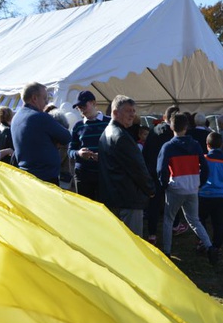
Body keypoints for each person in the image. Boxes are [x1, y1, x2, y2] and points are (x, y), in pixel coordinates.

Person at [157, 112, 219, 265]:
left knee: (169, 220)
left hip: (175, 189)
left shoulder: (168, 147)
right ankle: (210, 246)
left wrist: (164, 185)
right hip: (192, 188)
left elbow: (161, 170)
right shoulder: (196, 145)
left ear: (171, 126)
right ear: (187, 127)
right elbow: (204, 168)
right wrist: (199, 183)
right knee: (194, 219)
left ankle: (167, 252)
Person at [98, 95, 155, 236]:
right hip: (127, 199)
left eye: (134, 111)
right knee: (133, 244)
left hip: (115, 196)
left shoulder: (107, 132)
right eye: (128, 111)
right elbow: (137, 168)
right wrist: (150, 189)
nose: (132, 114)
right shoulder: (121, 136)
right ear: (115, 113)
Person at [10, 82, 71, 184]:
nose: (46, 102)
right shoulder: (39, 117)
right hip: (45, 179)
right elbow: (67, 137)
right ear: (34, 98)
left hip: (26, 177)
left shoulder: (16, 117)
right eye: (44, 98)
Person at [142, 105, 181, 243]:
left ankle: (152, 234)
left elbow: (145, 152)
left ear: (164, 117)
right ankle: (174, 227)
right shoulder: (174, 134)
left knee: (154, 203)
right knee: (172, 202)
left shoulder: (153, 131)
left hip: (153, 171)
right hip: (169, 172)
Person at [68, 90, 110, 201]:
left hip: (104, 173)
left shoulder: (109, 123)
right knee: (85, 208)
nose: (81, 109)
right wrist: (79, 153)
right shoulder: (78, 126)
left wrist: (103, 156)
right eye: (78, 107)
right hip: (83, 174)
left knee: (104, 208)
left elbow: (116, 148)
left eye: (83, 106)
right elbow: (70, 150)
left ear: (93, 103)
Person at [198, 131, 223, 252]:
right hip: (220, 196)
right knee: (218, 222)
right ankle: (217, 246)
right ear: (221, 145)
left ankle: (203, 241)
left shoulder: (203, 160)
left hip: (203, 195)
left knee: (200, 220)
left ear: (207, 145)